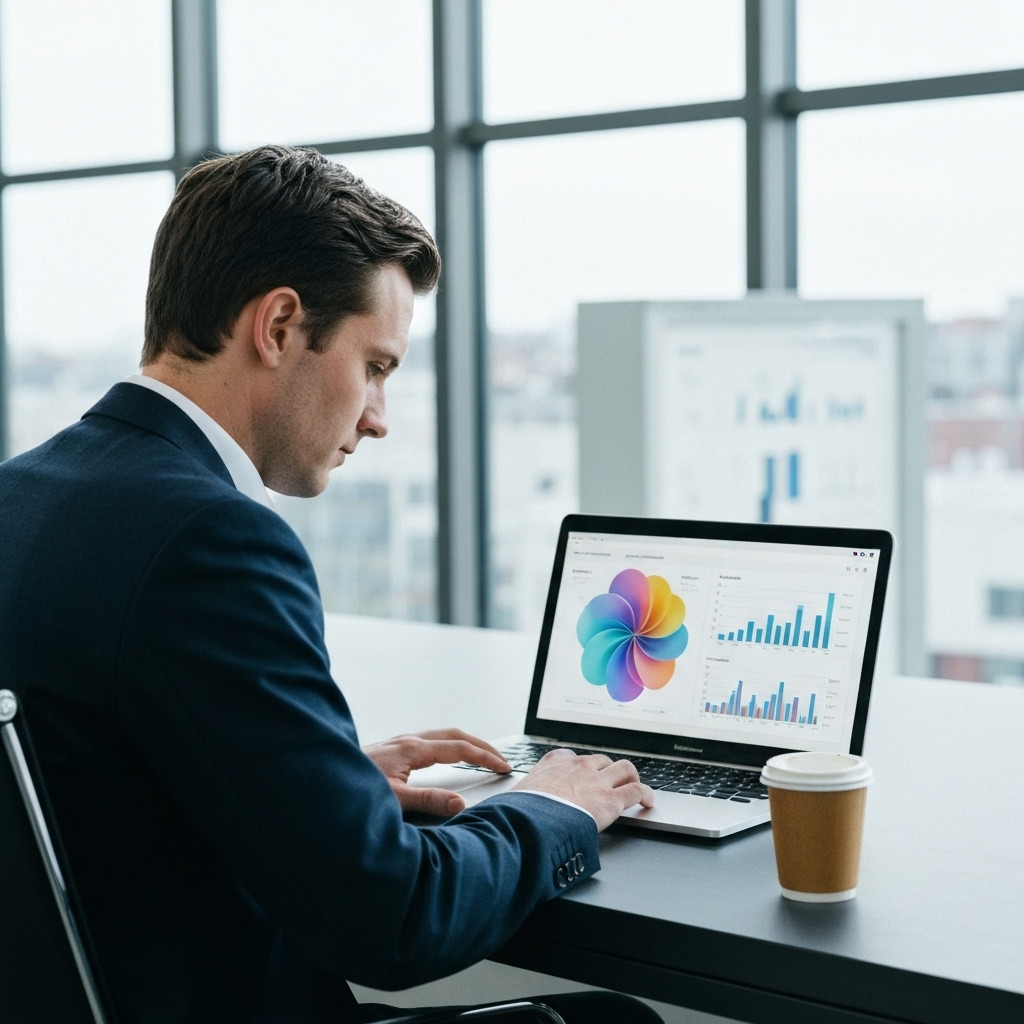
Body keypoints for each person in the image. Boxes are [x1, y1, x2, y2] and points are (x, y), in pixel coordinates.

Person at [0, 145, 661, 1024]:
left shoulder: (24, 493)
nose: (380, 418)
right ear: (278, 326)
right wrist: (551, 808)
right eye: (377, 366)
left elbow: (93, 770)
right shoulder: (212, 540)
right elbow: (392, 920)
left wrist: (315, 785)